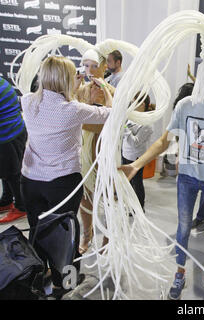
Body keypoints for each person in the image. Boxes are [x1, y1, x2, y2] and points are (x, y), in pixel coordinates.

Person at [120, 87, 204, 301]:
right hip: (188, 177)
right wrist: (136, 165)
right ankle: (180, 272)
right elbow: (163, 142)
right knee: (183, 227)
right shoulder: (186, 104)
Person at [20, 56, 111, 298]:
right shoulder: (72, 110)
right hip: (62, 184)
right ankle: (65, 283)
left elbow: (53, 99)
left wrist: (73, 87)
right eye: (73, 75)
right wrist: (104, 91)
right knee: (67, 235)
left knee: (37, 229)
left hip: (31, 181)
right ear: (64, 80)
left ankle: (38, 278)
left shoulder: (28, 102)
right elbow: (110, 115)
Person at [76, 49, 114, 254]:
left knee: (107, 197)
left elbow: (114, 122)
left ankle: (107, 237)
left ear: (104, 66)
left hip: (106, 151)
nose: (89, 70)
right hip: (85, 151)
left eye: (94, 66)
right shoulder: (81, 90)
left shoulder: (113, 92)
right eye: (86, 66)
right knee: (85, 196)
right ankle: (87, 235)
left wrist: (87, 118)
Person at [0, 76, 27, 223]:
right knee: (5, 171)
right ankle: (6, 201)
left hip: (9, 135)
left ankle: (21, 207)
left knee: (12, 173)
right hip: (11, 132)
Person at [121, 93, 154, 211]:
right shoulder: (132, 116)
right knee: (128, 182)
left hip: (136, 157)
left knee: (137, 183)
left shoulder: (147, 124)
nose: (132, 104)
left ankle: (140, 208)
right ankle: (129, 205)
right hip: (125, 153)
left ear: (142, 104)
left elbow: (135, 142)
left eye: (135, 102)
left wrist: (124, 128)